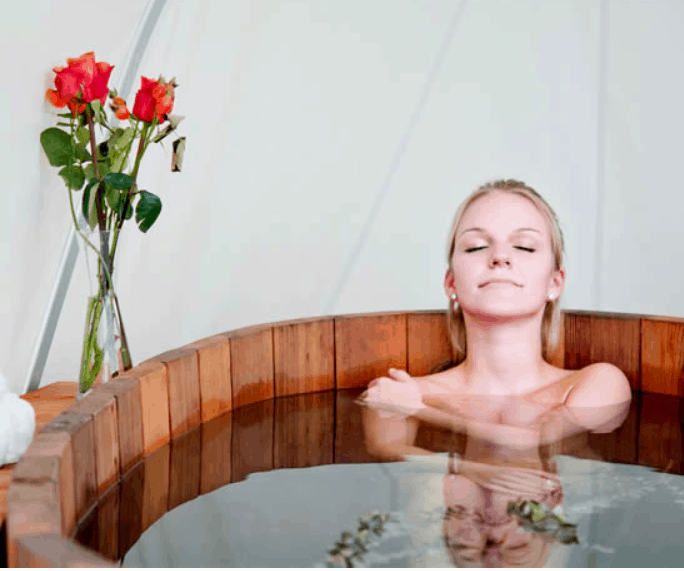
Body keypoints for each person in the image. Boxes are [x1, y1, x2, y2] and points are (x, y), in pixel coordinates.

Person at [358, 179, 632, 566]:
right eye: (476, 246)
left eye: (524, 246)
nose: (500, 258)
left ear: (555, 282)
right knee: (428, 486)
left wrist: (421, 410)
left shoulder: (597, 382)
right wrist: (470, 469)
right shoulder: (401, 390)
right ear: (451, 282)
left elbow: (528, 440)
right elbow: (391, 453)